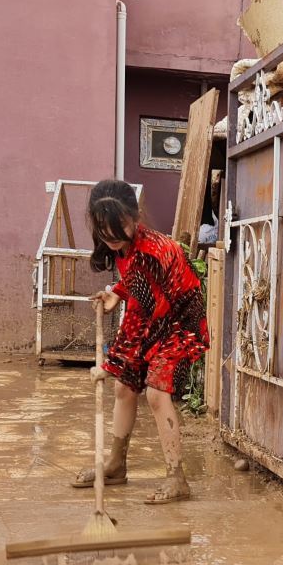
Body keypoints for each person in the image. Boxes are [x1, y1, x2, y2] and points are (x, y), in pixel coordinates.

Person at [71, 179, 208, 504]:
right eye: (104, 228)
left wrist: (111, 363)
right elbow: (134, 283)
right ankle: (116, 466)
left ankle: (177, 479)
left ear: (135, 218)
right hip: (153, 312)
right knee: (124, 388)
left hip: (179, 320)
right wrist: (115, 293)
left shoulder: (152, 253)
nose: (111, 236)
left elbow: (143, 318)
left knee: (157, 393)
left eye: (120, 227)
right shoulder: (122, 245)